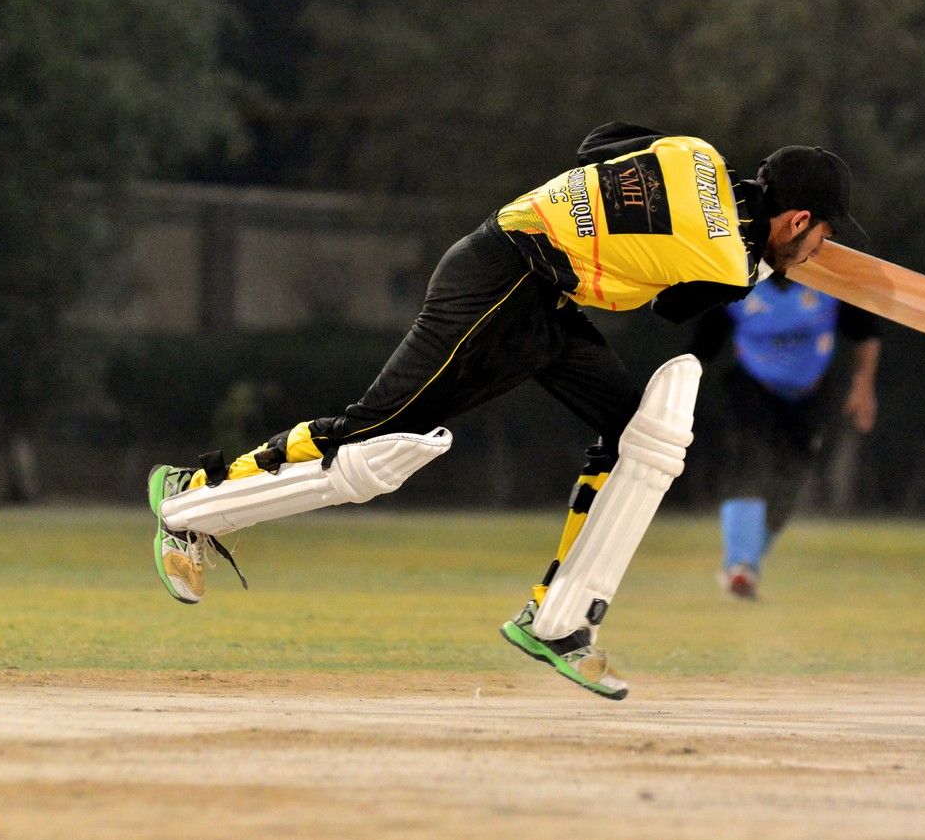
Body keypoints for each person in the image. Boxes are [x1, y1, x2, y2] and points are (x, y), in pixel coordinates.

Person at [148, 122, 863, 700]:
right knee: (372, 439)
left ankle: (557, 620)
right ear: (798, 219)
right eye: (822, 237)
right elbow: (678, 308)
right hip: (501, 280)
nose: (819, 251)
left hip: (541, 297)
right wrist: (771, 264)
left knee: (638, 439)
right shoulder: (732, 261)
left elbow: (598, 144)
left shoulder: (692, 152)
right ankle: (190, 502)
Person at [691, 274, 880, 600]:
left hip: (810, 394)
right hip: (752, 387)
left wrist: (863, 387)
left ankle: (746, 564)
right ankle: (741, 566)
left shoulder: (829, 281)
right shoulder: (737, 281)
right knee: (748, 465)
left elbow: (865, 333)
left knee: (789, 483)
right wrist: (677, 395)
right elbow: (702, 347)